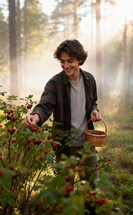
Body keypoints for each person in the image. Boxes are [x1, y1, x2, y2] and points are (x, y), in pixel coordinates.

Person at [24, 39, 101, 214]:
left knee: (92, 191)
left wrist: (94, 112)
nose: (66, 66)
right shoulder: (55, 83)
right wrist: (35, 117)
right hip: (64, 146)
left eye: (70, 61)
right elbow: (45, 105)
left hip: (87, 144)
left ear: (79, 60)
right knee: (64, 196)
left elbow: (92, 103)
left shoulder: (89, 80)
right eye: (62, 61)